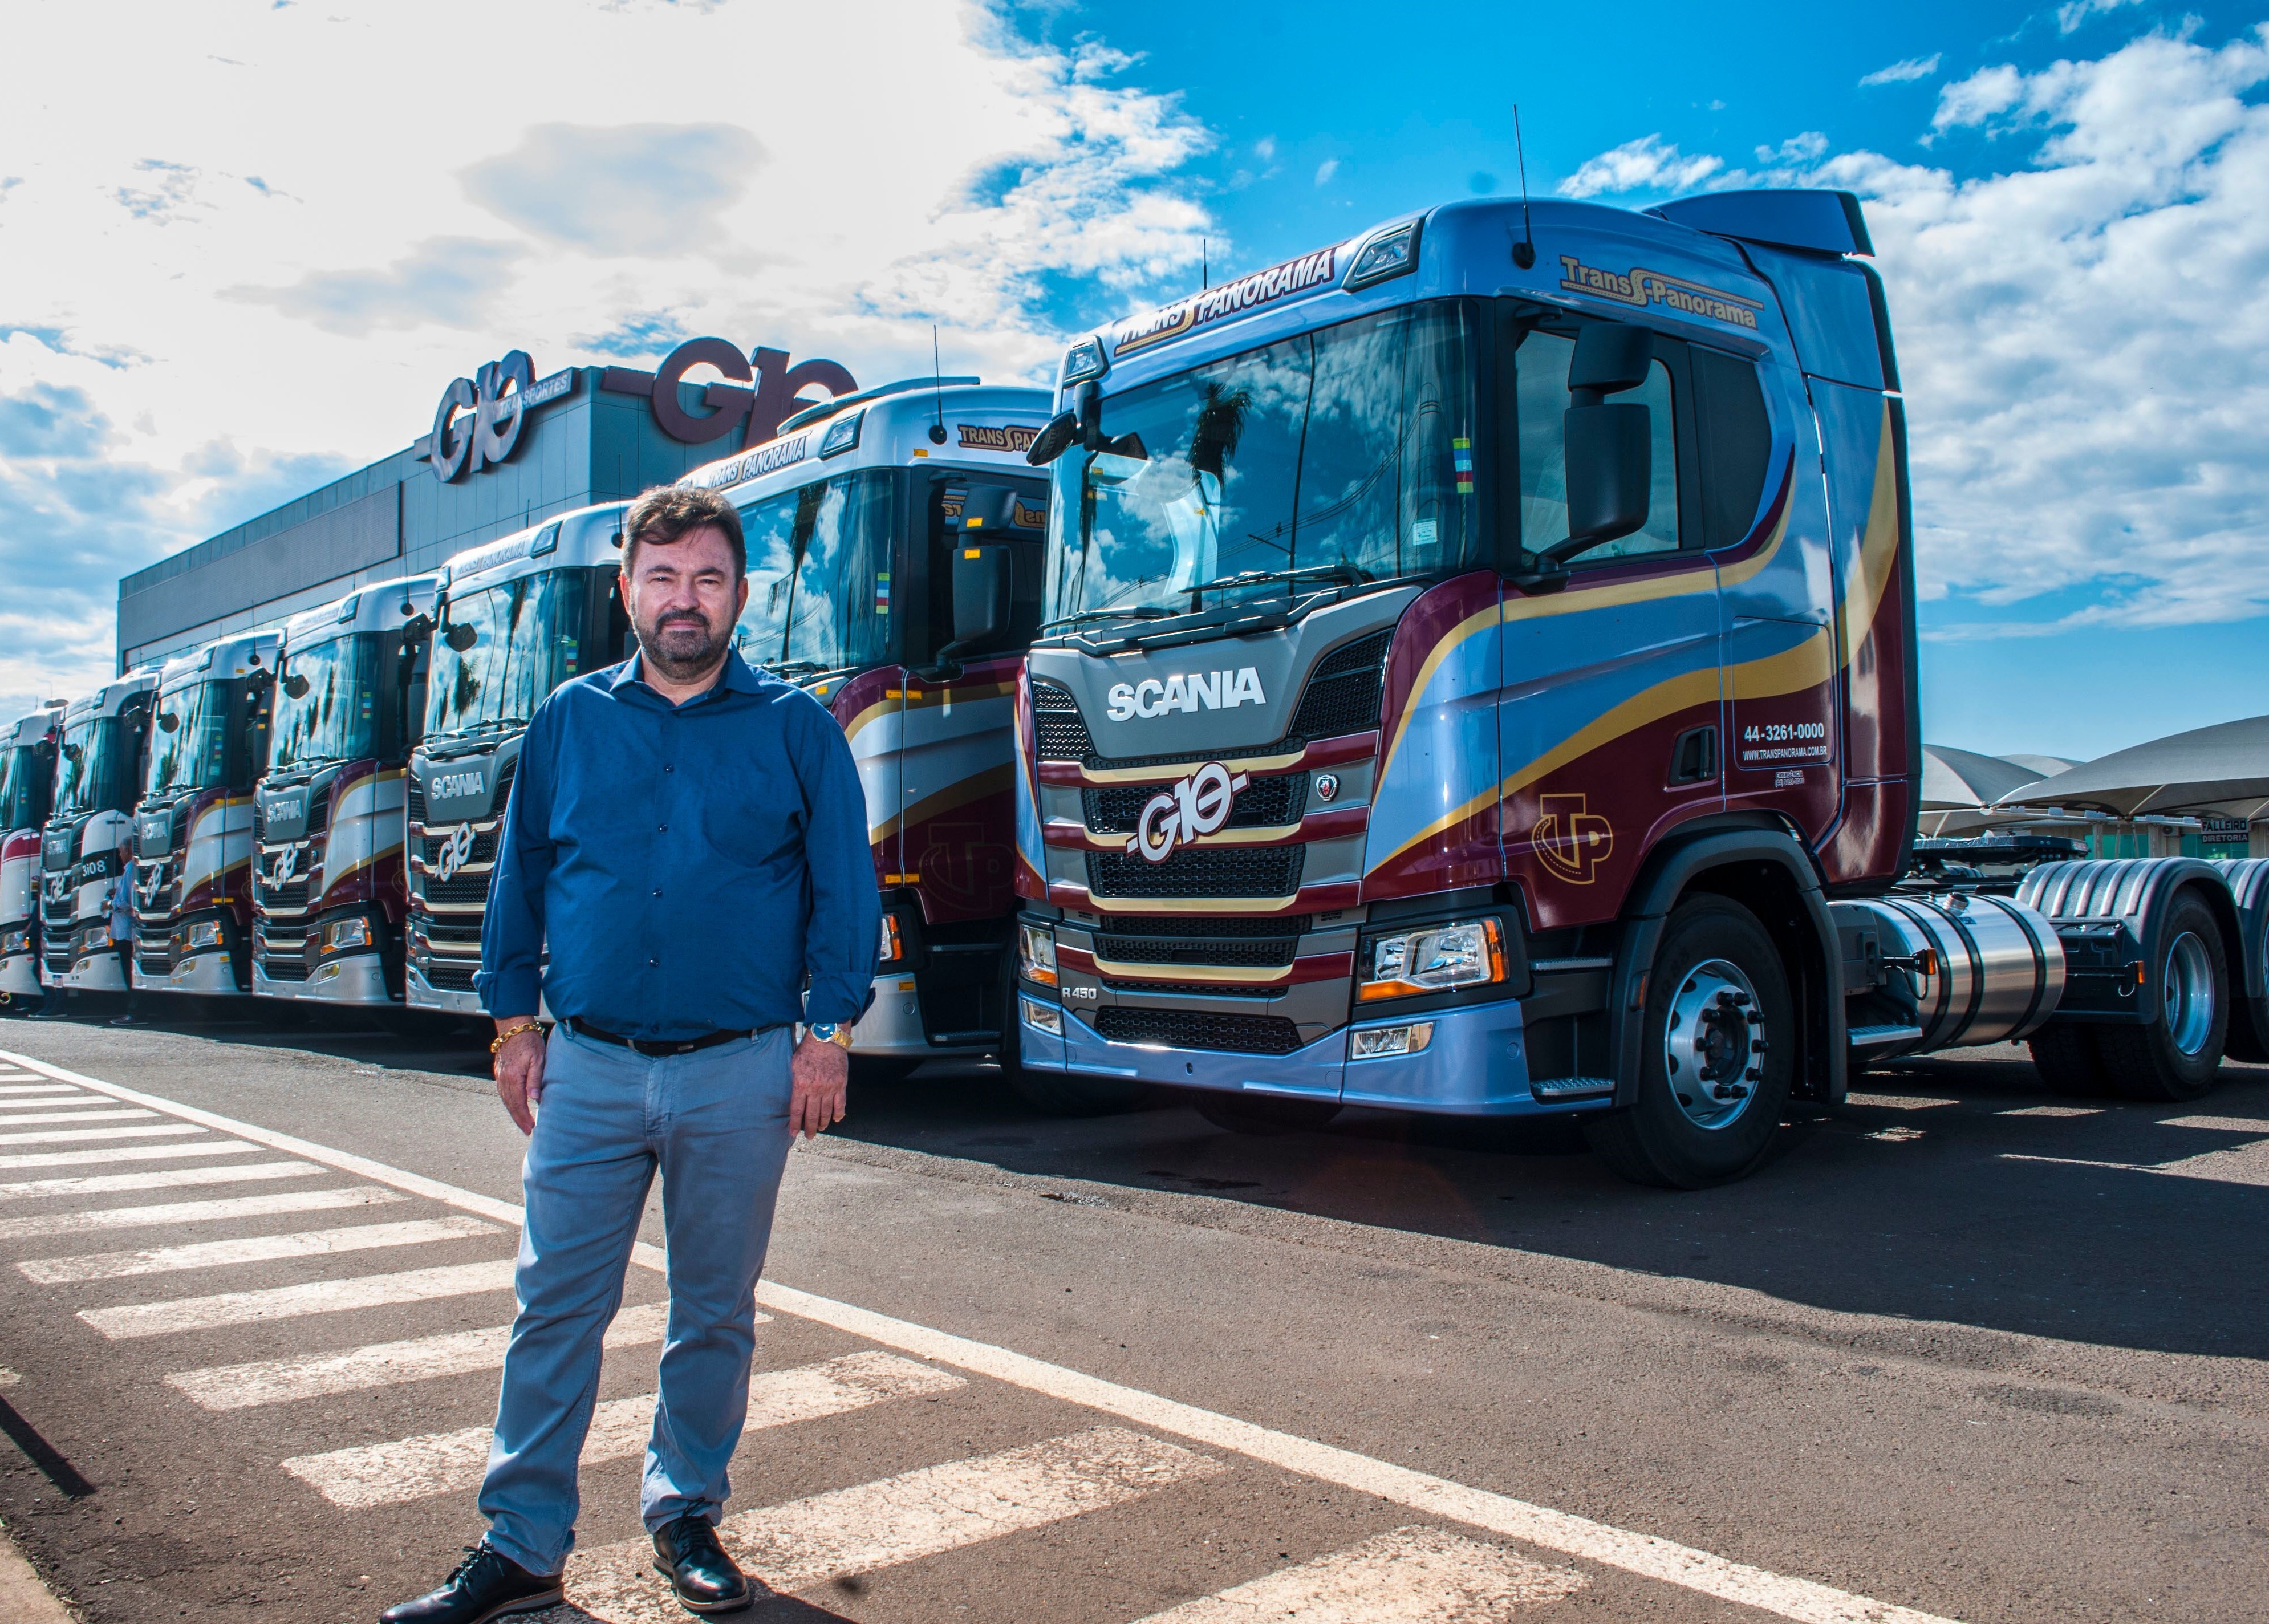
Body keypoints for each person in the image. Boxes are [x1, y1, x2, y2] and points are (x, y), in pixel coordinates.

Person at [381, 485, 879, 1624]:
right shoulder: (569, 719)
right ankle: (520, 1545)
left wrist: (827, 1034)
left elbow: (843, 890)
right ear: (626, 591)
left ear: (740, 594)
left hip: (740, 1068)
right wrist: (513, 1021)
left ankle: (685, 1512)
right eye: (662, 577)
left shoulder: (797, 727)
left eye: (707, 577)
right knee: (554, 1304)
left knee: (714, 1309)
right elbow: (520, 874)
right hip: (589, 1067)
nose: (683, 599)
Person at [109, 834, 139, 1026]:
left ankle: (134, 1011)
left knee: (129, 973)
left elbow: (127, 902)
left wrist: (110, 904)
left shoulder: (130, 870)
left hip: (126, 930)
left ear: (128, 850)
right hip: (124, 930)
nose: (120, 855)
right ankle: (133, 1010)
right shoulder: (130, 870)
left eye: (121, 851)